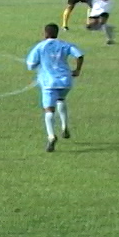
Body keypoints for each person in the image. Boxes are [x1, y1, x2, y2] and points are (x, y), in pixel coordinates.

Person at [26, 23, 84, 152]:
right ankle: (64, 126)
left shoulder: (40, 47)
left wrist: (39, 64)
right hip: (65, 81)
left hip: (49, 83)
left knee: (49, 110)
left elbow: (30, 65)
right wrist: (77, 70)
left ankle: (51, 136)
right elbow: (79, 55)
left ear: (45, 33)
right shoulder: (64, 44)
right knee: (61, 100)